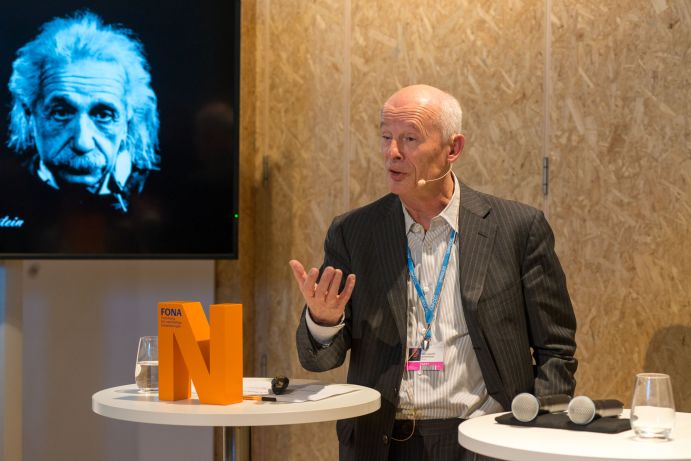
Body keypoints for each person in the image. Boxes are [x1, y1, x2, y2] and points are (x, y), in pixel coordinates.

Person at [291, 84, 577, 460]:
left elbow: (555, 347)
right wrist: (324, 320)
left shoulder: (517, 229)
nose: (392, 152)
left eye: (409, 138)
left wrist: (539, 431)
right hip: (383, 442)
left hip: (486, 439)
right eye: (386, 137)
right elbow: (318, 360)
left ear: (453, 149)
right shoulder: (354, 233)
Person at [6, 10, 159, 213]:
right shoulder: (8, 191)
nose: (82, 143)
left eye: (103, 115)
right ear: (30, 117)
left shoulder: (163, 196)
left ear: (127, 123)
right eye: (61, 113)